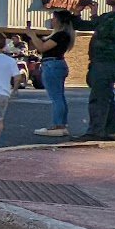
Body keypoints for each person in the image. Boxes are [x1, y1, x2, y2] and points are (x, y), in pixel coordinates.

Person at [71, 0, 115, 141]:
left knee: (99, 97)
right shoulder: (106, 16)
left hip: (109, 60)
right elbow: (83, 26)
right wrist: (77, 13)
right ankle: (113, 131)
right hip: (98, 60)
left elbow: (110, 33)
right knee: (106, 97)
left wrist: (94, 16)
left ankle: (95, 132)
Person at [28, 9, 76, 138]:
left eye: (54, 18)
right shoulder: (64, 35)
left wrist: (32, 35)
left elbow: (42, 47)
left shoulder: (60, 35)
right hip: (56, 64)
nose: (51, 20)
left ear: (59, 20)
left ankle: (58, 126)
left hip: (52, 65)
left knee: (56, 97)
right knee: (59, 96)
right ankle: (61, 124)